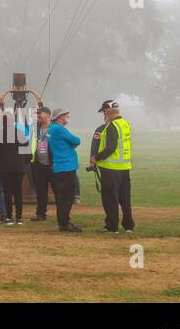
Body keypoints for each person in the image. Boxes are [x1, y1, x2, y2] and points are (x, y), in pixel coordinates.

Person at [90, 99, 134, 233]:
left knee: (110, 199)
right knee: (125, 199)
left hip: (111, 168)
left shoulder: (112, 126)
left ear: (107, 111)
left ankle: (112, 226)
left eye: (104, 112)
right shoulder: (124, 124)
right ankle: (128, 226)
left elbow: (110, 148)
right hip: (124, 167)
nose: (104, 115)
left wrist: (95, 157)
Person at [0, 108, 29, 225]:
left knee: (7, 192)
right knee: (18, 193)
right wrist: (24, 164)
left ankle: (8, 217)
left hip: (4, 167)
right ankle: (19, 217)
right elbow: (26, 149)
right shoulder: (20, 133)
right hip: (18, 167)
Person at [47, 108, 81, 232]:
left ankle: (63, 221)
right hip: (66, 167)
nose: (68, 117)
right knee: (67, 197)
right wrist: (72, 144)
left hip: (59, 166)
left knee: (62, 197)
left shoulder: (52, 129)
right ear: (60, 117)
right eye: (67, 115)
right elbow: (76, 140)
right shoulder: (59, 129)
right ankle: (64, 222)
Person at [29, 105, 53, 222]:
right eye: (37, 114)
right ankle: (41, 214)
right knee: (40, 191)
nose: (38, 116)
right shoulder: (34, 128)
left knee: (57, 190)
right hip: (38, 164)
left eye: (41, 114)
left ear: (48, 115)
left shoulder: (55, 128)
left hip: (52, 164)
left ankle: (62, 214)